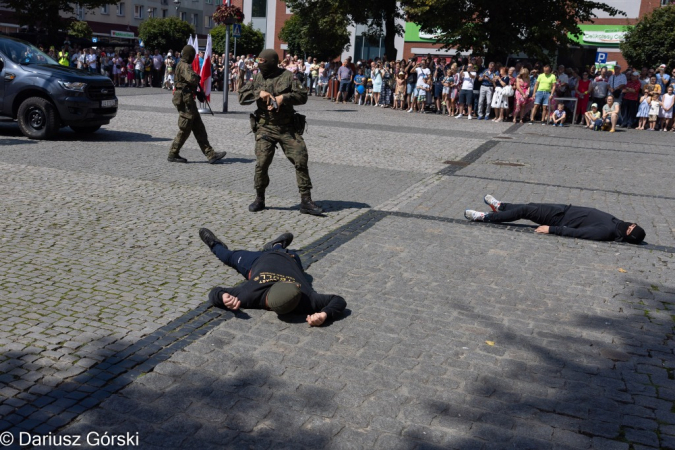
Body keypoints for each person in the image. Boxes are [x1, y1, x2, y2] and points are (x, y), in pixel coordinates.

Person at [201, 229, 347, 326]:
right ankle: (276, 245)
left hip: (254, 262)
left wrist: (222, 296)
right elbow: (338, 300)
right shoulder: (307, 300)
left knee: (230, 257)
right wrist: (324, 314)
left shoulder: (249, 295)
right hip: (290, 258)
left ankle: (214, 245)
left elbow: (214, 292)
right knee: (280, 251)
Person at [238, 49, 322, 216]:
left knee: (300, 158)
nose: (260, 64)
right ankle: (259, 198)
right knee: (262, 163)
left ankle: (306, 200)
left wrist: (283, 98)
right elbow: (241, 97)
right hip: (265, 127)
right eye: (259, 60)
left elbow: (302, 96)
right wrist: (258, 93)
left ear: (271, 61)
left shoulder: (288, 76)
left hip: (287, 128)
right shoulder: (256, 77)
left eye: (263, 61)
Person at [464, 194, 646, 244]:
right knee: (530, 206)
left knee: (527, 210)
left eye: (630, 231)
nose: (629, 226)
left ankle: (485, 217)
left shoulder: (605, 232)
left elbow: (578, 233)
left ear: (627, 237)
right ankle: (501, 207)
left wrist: (551, 229)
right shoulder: (617, 223)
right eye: (632, 225)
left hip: (559, 219)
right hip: (564, 209)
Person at [167, 45, 227, 164]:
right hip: (185, 102)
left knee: (199, 128)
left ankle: (210, 154)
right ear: (189, 55)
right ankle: (173, 153)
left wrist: (197, 91)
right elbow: (192, 79)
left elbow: (188, 83)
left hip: (188, 99)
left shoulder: (183, 64)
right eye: (192, 56)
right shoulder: (184, 65)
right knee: (185, 129)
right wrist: (196, 76)